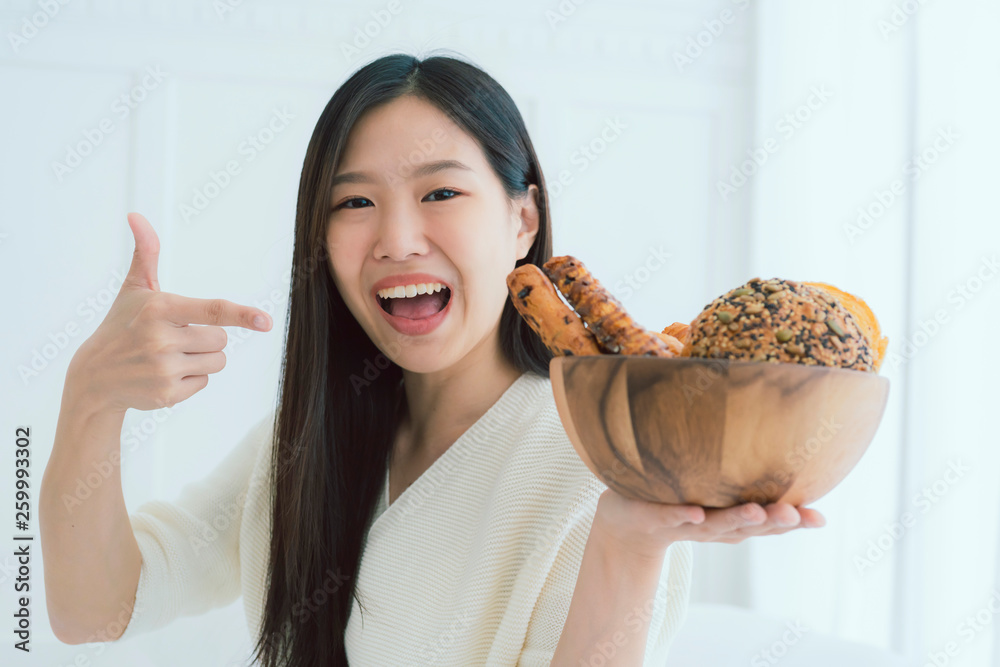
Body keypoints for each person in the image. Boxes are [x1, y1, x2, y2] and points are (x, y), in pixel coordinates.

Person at [40, 52, 824, 666]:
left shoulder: (599, 463)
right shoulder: (305, 438)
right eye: (354, 202)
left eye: (441, 193)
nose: (397, 239)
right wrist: (89, 400)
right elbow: (91, 610)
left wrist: (628, 542)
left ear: (523, 218)